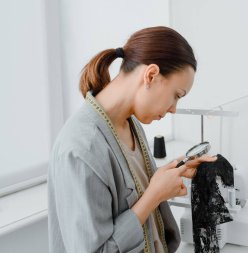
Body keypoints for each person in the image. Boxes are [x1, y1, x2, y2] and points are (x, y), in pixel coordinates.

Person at [48, 26, 216, 253]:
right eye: (177, 95)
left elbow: (137, 193)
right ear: (151, 75)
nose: (174, 109)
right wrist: (155, 194)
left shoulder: (131, 124)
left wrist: (172, 172)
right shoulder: (81, 150)